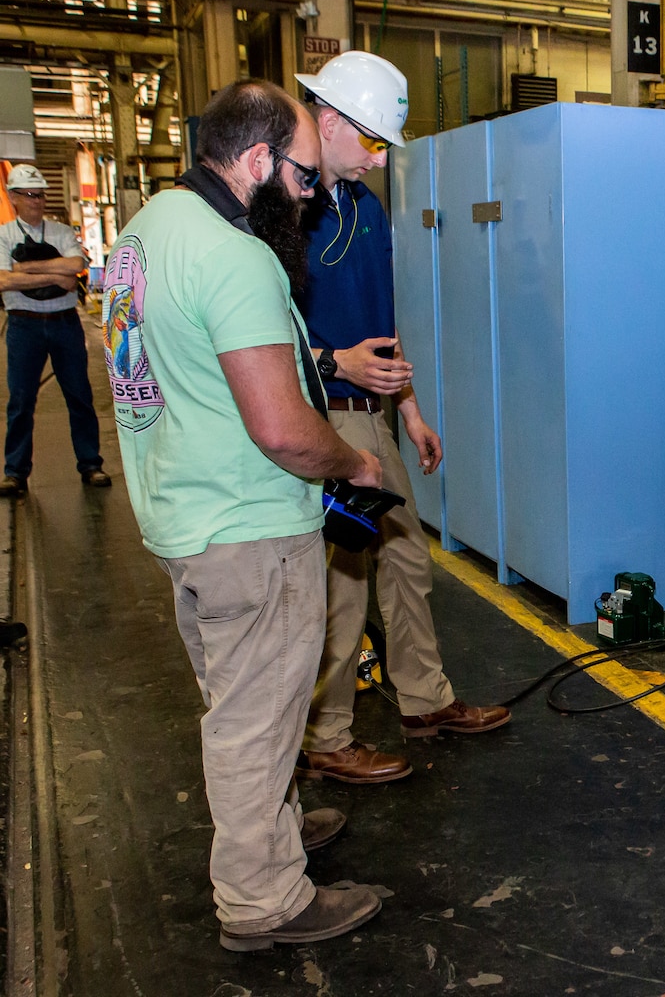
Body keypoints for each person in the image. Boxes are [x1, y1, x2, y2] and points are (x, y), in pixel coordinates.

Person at [102, 79, 385, 951]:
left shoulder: (146, 234)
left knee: (244, 701)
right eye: (304, 180)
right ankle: (263, 898)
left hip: (182, 514)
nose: (313, 199)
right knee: (254, 718)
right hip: (249, 524)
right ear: (257, 162)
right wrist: (355, 461)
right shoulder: (237, 257)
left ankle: (271, 831)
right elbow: (283, 430)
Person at [293, 51, 509, 787]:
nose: (379, 155)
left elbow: (385, 328)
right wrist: (336, 363)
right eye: (371, 139)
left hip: (371, 415)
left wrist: (410, 411)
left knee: (407, 559)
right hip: (322, 414)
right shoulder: (286, 212)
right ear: (328, 123)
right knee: (345, 576)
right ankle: (328, 735)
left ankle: (423, 701)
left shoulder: (368, 208)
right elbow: (263, 337)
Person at [0, 163, 110, 495]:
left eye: (41, 194)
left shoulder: (61, 233)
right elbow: (3, 280)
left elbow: (75, 268)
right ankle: (15, 472)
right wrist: (55, 274)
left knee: (79, 395)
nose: (37, 201)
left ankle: (91, 464)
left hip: (64, 324)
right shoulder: (4, 235)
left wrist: (28, 269)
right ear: (14, 197)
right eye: (30, 195)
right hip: (24, 325)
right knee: (21, 399)